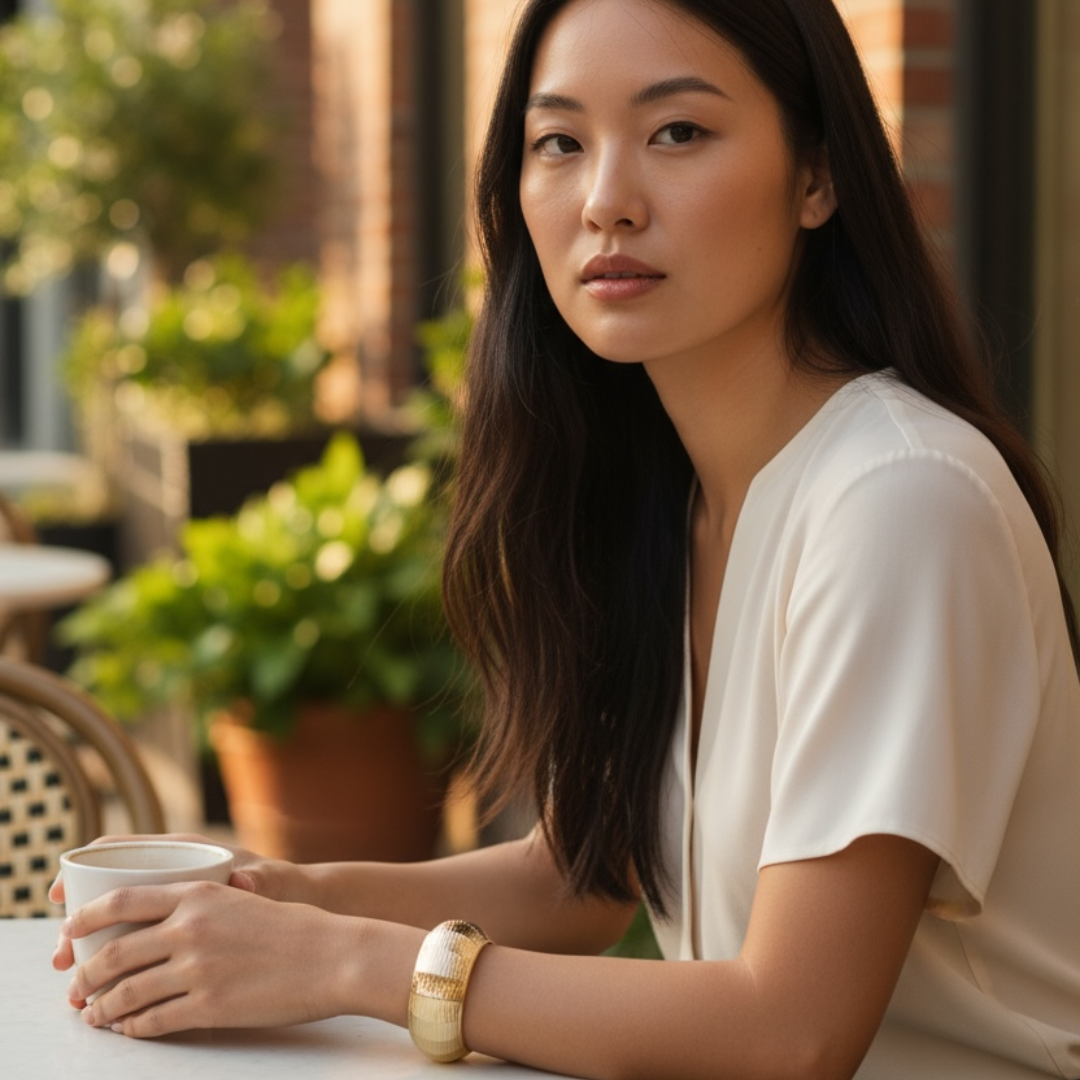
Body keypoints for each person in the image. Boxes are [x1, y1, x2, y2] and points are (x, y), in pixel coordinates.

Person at [50, 0, 1080, 1077]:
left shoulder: (899, 500)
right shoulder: (678, 498)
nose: (606, 201)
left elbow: (791, 1031)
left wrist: (350, 963)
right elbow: (584, 880)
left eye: (678, 132)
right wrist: (285, 899)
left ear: (817, 177)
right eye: (560, 143)